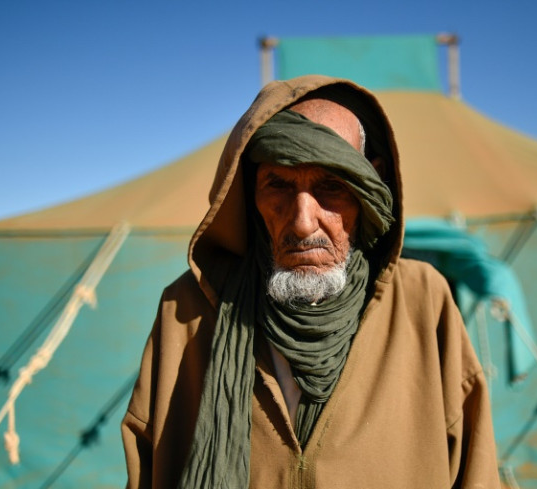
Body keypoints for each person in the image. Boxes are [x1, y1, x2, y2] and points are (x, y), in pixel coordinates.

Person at [121, 75, 501, 488]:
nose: (302, 222)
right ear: (249, 194)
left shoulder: (423, 301)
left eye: (331, 186)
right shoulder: (188, 312)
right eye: (278, 185)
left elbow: (475, 472)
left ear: (369, 188)